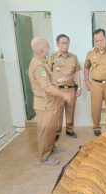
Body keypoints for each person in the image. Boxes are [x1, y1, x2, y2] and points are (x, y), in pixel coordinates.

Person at [29, 37, 71, 166]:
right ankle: (44, 156)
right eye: (47, 45)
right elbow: (47, 88)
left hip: (51, 103)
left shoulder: (43, 61)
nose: (49, 46)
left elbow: (48, 81)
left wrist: (58, 81)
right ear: (42, 49)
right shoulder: (38, 65)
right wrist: (64, 95)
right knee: (45, 131)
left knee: (52, 129)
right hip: (45, 104)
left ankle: (51, 147)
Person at [48, 34, 82, 139]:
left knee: (70, 111)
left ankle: (69, 130)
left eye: (67, 43)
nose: (65, 45)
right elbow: (48, 73)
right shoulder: (52, 57)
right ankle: (57, 132)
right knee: (58, 112)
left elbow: (77, 73)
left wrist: (79, 87)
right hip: (58, 90)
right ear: (58, 44)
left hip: (71, 89)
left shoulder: (74, 57)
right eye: (62, 43)